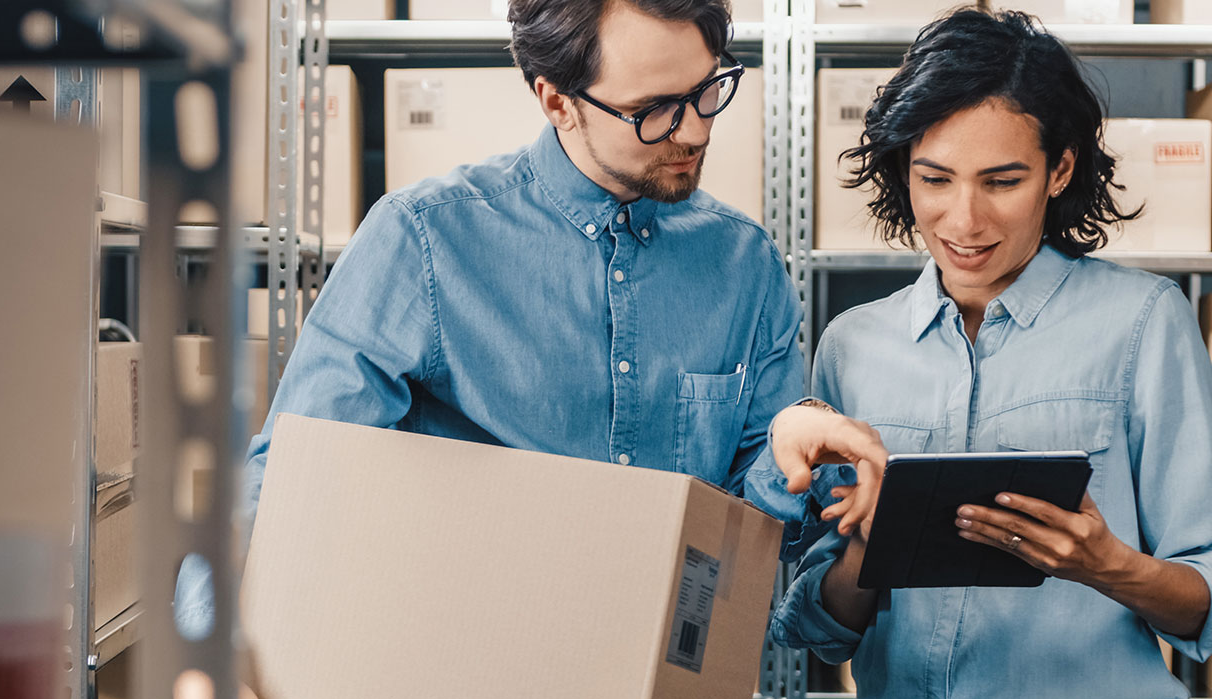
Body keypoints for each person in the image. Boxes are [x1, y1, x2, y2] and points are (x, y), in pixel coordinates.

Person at [181, 0, 889, 629]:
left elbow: (755, 538)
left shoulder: (744, 264)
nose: (696, 131)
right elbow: (287, 483)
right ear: (557, 101)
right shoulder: (424, 241)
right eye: (656, 110)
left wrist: (787, 445)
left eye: (709, 91)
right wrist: (204, 652)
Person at [769, 9, 1212, 698]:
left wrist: (1106, 564)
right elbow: (820, 629)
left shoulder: (1144, 322)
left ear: (1059, 170)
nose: (964, 220)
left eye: (1001, 181)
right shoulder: (852, 345)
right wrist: (867, 548)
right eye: (935, 179)